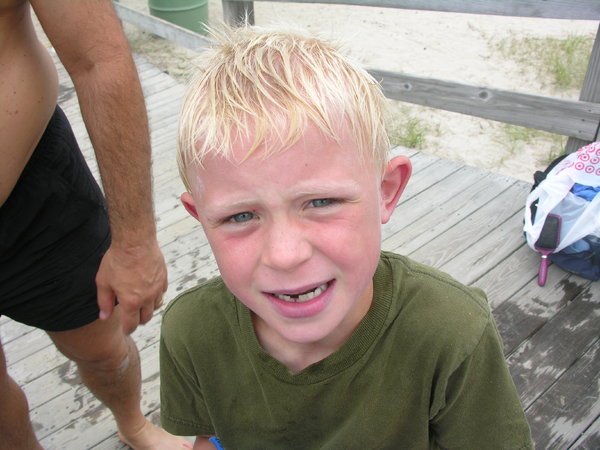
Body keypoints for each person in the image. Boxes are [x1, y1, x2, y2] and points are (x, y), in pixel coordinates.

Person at [160, 25, 533, 449]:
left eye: (321, 202)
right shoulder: (192, 332)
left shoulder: (451, 332)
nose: (284, 255)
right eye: (240, 216)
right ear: (201, 218)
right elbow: (209, 437)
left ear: (386, 191)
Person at [0, 1, 192, 448]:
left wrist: (134, 243)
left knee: (103, 351)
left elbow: (98, 59)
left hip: (35, 199)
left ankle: (133, 424)